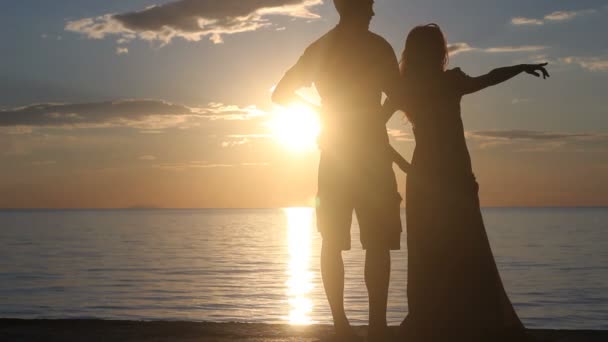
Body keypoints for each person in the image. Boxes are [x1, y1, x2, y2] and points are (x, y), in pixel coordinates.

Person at [385, 24, 550, 341]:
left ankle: (437, 319)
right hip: (451, 175)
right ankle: (465, 319)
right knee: (465, 247)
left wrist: (406, 166)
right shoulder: (447, 82)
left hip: (431, 176)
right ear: (438, 52)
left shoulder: (407, 88)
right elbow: (489, 77)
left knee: (431, 250)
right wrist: (521, 67)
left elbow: (371, 131)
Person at [272, 0, 404, 339]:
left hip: (341, 154)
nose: (374, 12)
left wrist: (324, 114)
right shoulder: (377, 46)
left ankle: (346, 324)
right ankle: (370, 324)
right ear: (356, 8)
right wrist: (375, 117)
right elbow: (398, 94)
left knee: (341, 241)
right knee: (366, 242)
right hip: (365, 155)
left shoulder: (323, 48)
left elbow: (282, 93)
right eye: (370, 5)